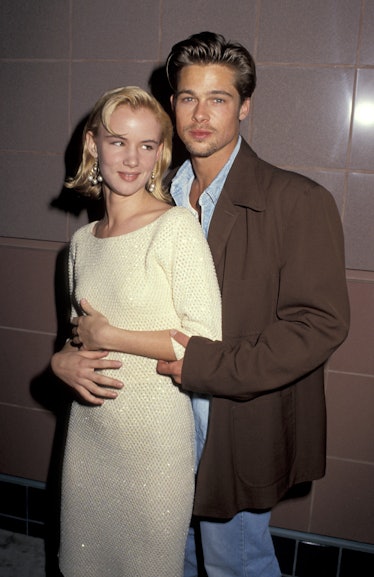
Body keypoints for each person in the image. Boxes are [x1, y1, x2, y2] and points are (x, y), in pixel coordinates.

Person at [52, 33, 350, 577]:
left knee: (235, 561)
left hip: (235, 419)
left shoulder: (296, 200)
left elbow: (320, 325)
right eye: (189, 97)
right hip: (151, 418)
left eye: (219, 98)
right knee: (173, 559)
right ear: (172, 105)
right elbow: (103, 313)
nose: (202, 113)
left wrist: (208, 365)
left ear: (245, 106)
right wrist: (66, 355)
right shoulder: (155, 195)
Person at [53, 86, 221, 577]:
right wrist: (60, 360)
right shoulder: (82, 243)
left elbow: (205, 343)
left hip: (153, 450)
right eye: (118, 142)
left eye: (147, 146)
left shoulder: (176, 228)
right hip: (88, 443)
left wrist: (114, 336)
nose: (131, 159)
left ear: (160, 154)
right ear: (93, 145)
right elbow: (80, 334)